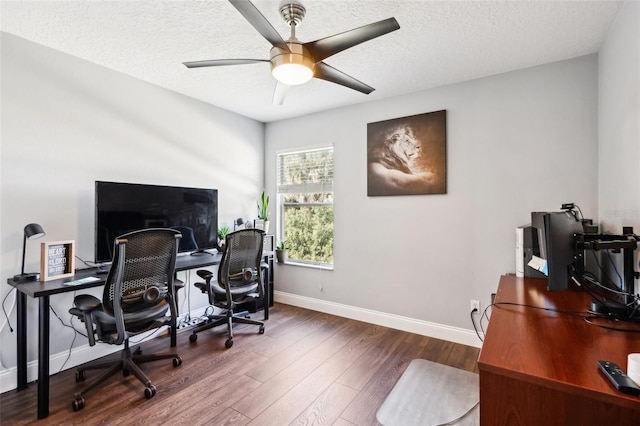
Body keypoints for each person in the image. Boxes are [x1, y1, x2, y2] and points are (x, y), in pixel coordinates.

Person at [367, 125, 435, 195]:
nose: (416, 145)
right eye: (406, 141)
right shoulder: (374, 167)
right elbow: (413, 184)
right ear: (391, 144)